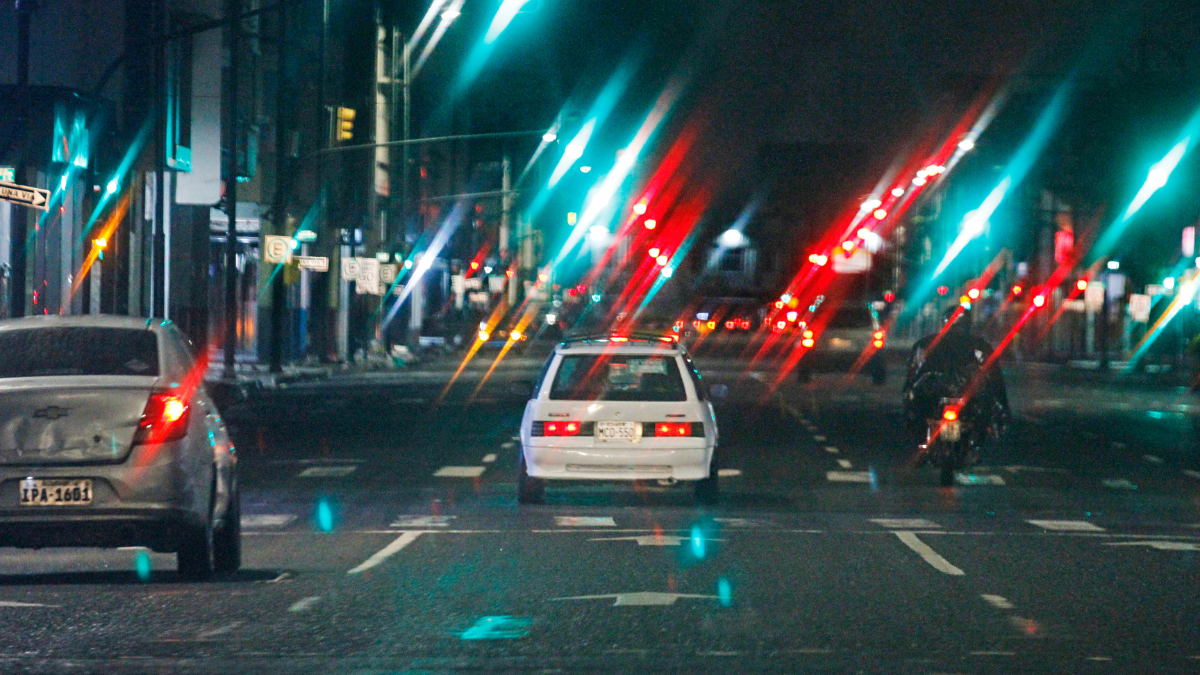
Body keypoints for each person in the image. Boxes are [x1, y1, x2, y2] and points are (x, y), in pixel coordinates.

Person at [903, 305, 1009, 445]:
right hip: (942, 393)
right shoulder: (978, 345)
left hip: (957, 395)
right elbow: (995, 378)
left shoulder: (926, 343)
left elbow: (993, 376)